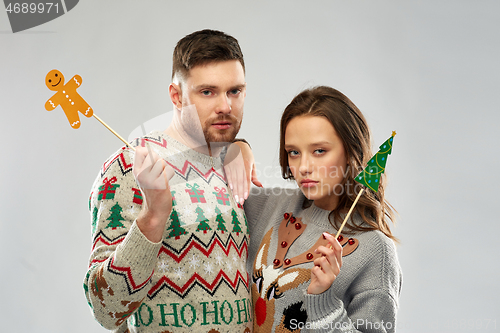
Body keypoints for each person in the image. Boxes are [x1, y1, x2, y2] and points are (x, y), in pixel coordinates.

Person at [84, 29, 254, 333]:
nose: (225, 106)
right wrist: (153, 217)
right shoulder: (129, 167)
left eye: (234, 91)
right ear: (176, 96)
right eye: (207, 92)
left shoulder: (232, 164)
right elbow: (106, 311)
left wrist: (242, 147)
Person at [241, 86, 402, 332]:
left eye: (319, 151)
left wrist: (323, 301)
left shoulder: (375, 251)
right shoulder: (270, 206)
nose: (303, 167)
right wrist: (239, 148)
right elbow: (199, 174)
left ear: (350, 152)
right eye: (293, 152)